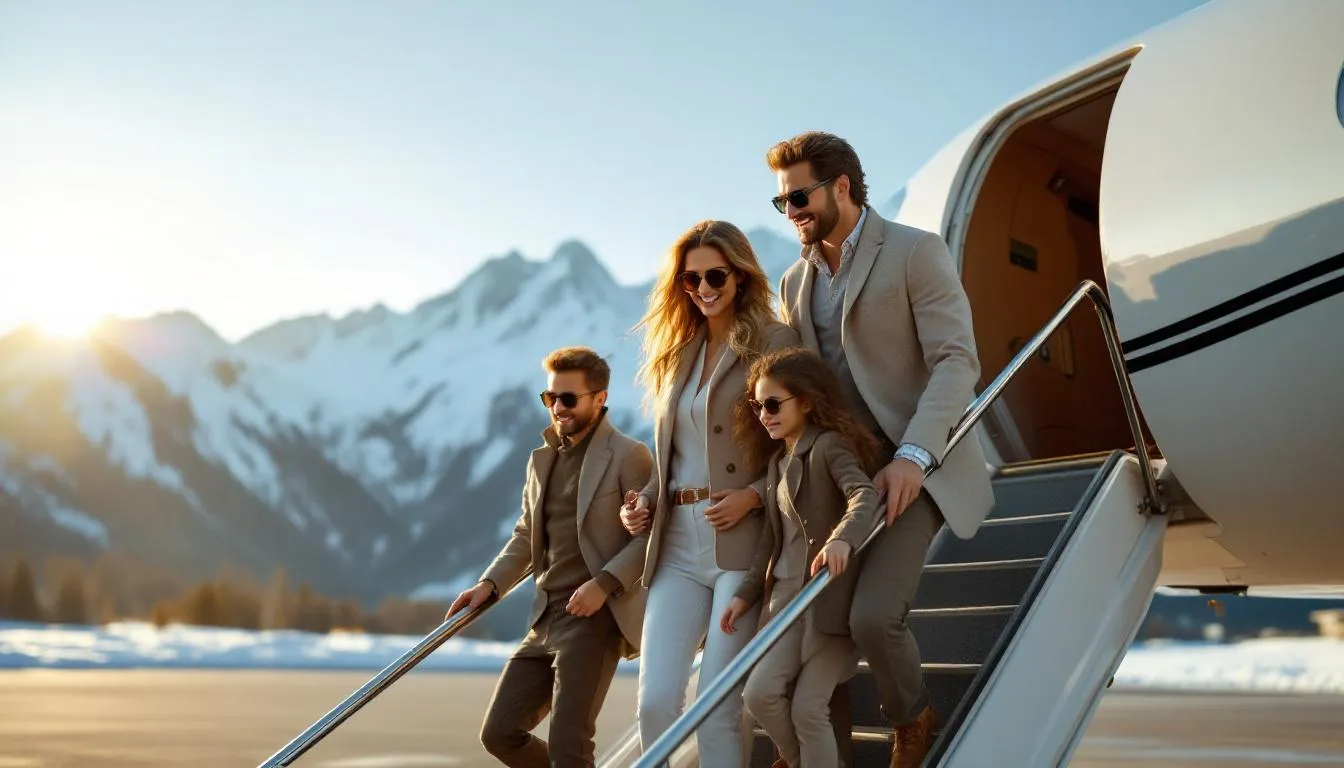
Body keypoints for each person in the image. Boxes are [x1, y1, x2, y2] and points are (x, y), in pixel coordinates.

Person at [764, 131, 996, 768]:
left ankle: (913, 718)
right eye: (781, 202)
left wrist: (915, 456)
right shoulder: (794, 281)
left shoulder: (916, 251)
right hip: (844, 476)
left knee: (872, 619)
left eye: (800, 196)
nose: (792, 212)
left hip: (916, 463)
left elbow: (956, 360)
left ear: (842, 186)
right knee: (820, 618)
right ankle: (814, 746)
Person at [619, 219, 801, 768]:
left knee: (717, 705)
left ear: (740, 276)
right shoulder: (677, 354)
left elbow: (804, 443)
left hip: (740, 546)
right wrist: (646, 499)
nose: (702, 288)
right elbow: (676, 454)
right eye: (689, 279)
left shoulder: (775, 341)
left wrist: (753, 494)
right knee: (654, 704)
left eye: (715, 274)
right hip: (674, 545)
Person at [446, 346, 653, 768]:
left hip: (595, 620)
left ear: (599, 398)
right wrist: (489, 584)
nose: (557, 408)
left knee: (568, 745)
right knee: (500, 732)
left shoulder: (630, 455)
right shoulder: (540, 459)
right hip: (544, 618)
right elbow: (525, 535)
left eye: (568, 398)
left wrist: (604, 584)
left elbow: (652, 538)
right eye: (550, 398)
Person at [721, 346, 883, 768]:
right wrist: (744, 595)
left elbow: (863, 493)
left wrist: (842, 540)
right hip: (784, 607)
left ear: (807, 401)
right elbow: (771, 543)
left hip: (827, 601)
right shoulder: (776, 463)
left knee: (809, 709)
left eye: (773, 404)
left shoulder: (828, 446)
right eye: (757, 405)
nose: (763, 414)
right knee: (757, 695)